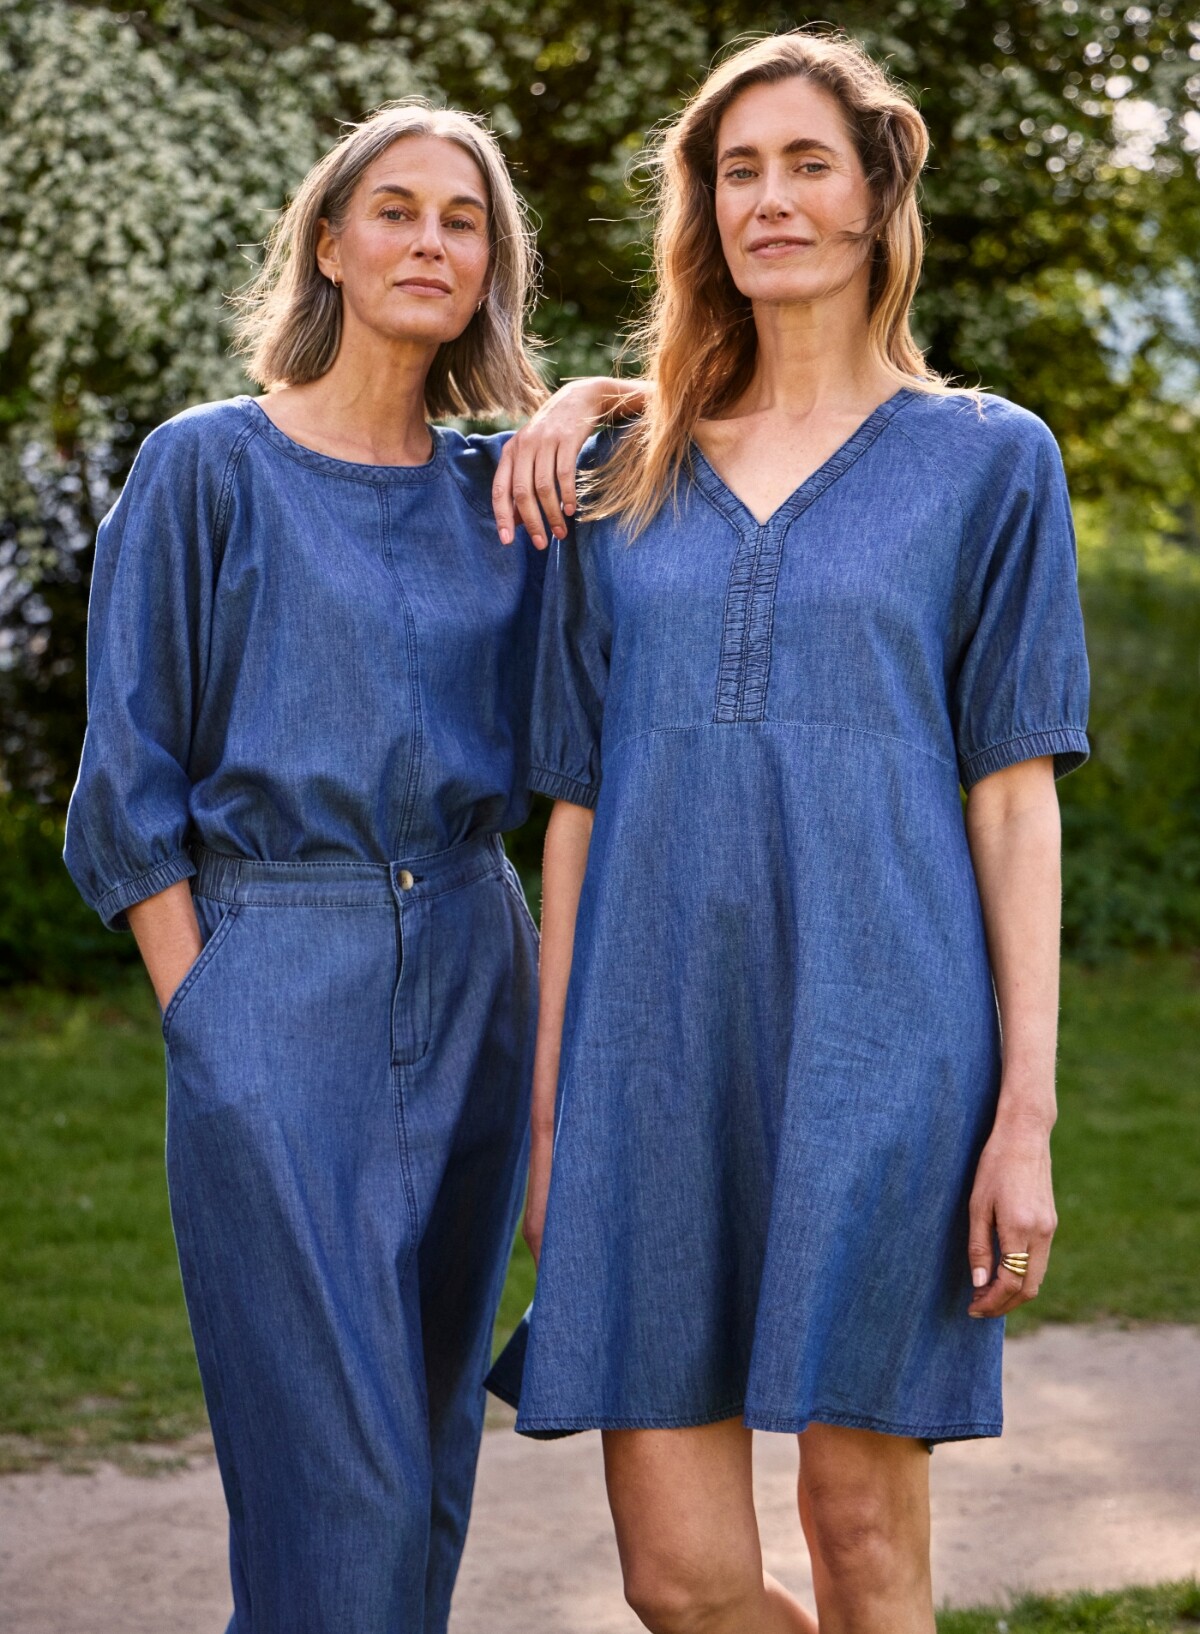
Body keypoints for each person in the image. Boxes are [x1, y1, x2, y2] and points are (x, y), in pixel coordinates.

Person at [513, 32, 1090, 1634]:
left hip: (889, 1040)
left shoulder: (991, 461)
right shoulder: (620, 471)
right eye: (738, 169)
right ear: (704, 208)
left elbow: (1013, 797)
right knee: (680, 1577)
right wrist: (554, 1112)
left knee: (861, 1530)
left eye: (807, 163)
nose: (769, 199)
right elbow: (573, 806)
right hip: (648, 1053)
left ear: (876, 194)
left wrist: (1025, 1115)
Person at [64, 100, 630, 1634]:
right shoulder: (206, 468)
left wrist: (591, 399)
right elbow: (127, 779)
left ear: (491, 267)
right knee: (344, 1484)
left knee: (430, 1457)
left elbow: (749, 409)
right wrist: (211, 1018)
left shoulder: (510, 491)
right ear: (328, 241)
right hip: (275, 975)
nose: (429, 241)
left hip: (477, 957)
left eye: (463, 220)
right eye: (396, 209)